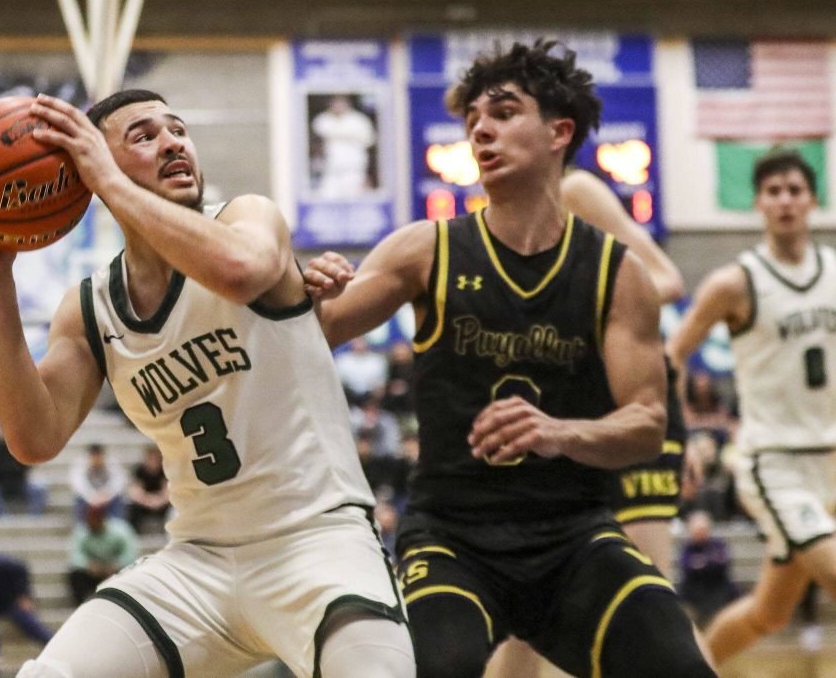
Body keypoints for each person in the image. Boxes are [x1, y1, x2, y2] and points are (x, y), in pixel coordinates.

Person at [0, 88, 414, 678]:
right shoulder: (89, 309)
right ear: (89, 166)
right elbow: (33, 438)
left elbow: (241, 272)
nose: (172, 142)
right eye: (143, 135)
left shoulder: (247, 217)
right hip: (199, 562)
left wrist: (113, 182)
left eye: (177, 130)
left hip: (319, 542)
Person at [304, 40, 714, 677]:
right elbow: (311, 336)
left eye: (501, 112)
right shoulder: (424, 250)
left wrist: (560, 432)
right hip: (451, 537)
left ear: (559, 131)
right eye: (472, 122)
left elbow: (646, 426)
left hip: (573, 536)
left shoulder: (619, 274)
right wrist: (305, 296)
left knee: (681, 665)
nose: (480, 130)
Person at [488, 166, 699, 677]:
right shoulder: (491, 221)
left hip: (626, 414)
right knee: (528, 605)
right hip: (560, 415)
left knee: (649, 603)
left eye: (504, 111)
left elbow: (667, 280)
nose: (484, 132)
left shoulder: (574, 191)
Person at [666, 148, 836, 666]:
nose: (785, 200)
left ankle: (699, 669)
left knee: (769, 614)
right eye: (774, 191)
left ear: (812, 200)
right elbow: (673, 357)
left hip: (832, 453)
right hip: (774, 460)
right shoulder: (734, 282)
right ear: (758, 203)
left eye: (794, 190)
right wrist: (681, 439)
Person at [68, 504, 139, 605]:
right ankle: (81, 604)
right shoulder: (81, 532)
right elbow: (75, 556)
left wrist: (116, 565)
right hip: (92, 573)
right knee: (75, 574)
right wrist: (89, 565)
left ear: (102, 519)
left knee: (133, 571)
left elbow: (131, 554)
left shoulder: (120, 530)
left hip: (116, 571)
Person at [678, 510, 739, 628]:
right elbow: (687, 567)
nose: (701, 533)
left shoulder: (718, 544)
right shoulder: (688, 548)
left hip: (718, 589)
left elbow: (723, 563)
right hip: (694, 591)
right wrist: (708, 562)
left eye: (703, 529)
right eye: (697, 530)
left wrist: (701, 563)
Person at [310, 94, 376, 198]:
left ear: (347, 103)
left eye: (341, 102)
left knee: (354, 201)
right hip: (330, 171)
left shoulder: (359, 120)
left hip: (353, 171)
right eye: (335, 102)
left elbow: (370, 141)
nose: (338, 105)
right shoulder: (323, 119)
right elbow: (318, 138)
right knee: (325, 198)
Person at [0, 434, 48, 516]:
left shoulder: (22, 447)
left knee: (40, 487)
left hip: (20, 484)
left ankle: (34, 518)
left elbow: (27, 466)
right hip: (0, 485)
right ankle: (4, 519)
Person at [70, 442, 127, 522]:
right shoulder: (81, 464)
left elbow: (118, 482)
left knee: (118, 498)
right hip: (89, 498)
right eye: (94, 457)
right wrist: (92, 497)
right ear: (89, 456)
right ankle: (81, 527)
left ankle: (117, 525)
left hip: (107, 497)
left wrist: (106, 494)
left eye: (99, 456)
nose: (97, 460)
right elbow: (78, 484)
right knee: (78, 499)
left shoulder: (112, 463)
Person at [126, 444, 170, 533]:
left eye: (156, 458)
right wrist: (149, 501)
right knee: (132, 508)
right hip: (144, 503)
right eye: (151, 458)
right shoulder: (138, 470)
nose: (154, 461)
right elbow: (135, 492)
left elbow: (168, 491)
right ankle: (133, 534)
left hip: (161, 503)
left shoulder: (165, 470)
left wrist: (158, 501)